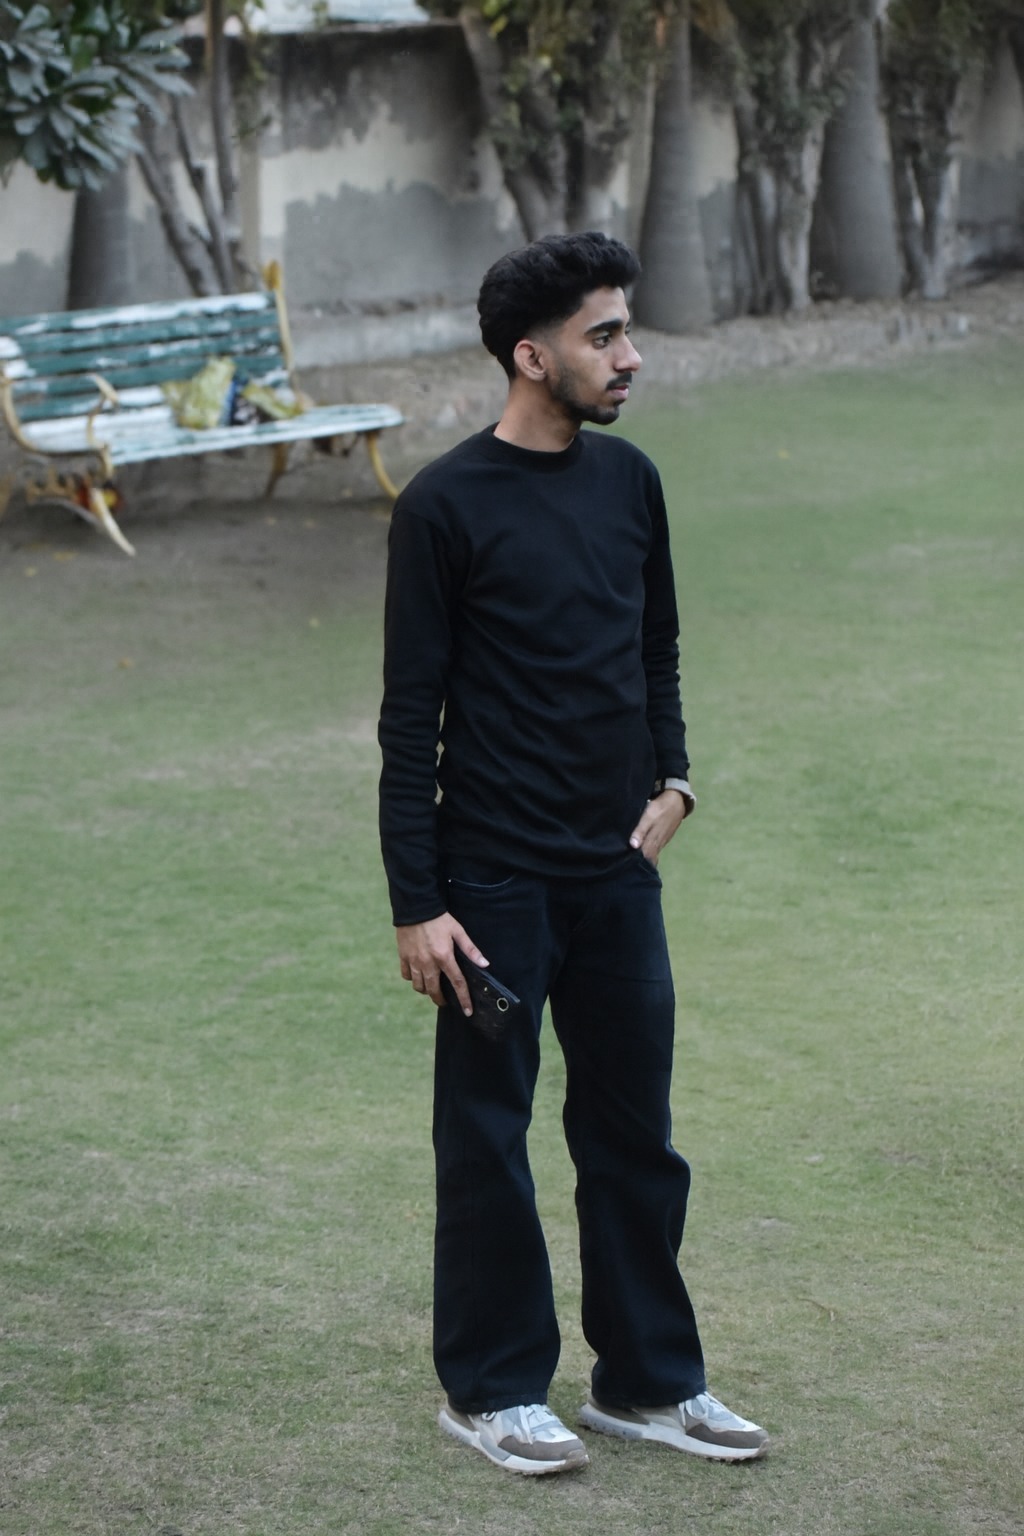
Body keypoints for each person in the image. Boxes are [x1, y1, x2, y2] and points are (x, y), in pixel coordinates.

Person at [377, 231, 768, 1476]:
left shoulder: (630, 482)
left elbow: (655, 646)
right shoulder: (442, 505)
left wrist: (676, 777)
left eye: (626, 330)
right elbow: (409, 719)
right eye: (604, 335)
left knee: (635, 1134)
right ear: (530, 355)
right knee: (487, 1141)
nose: (629, 355)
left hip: (615, 877)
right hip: (490, 884)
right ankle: (491, 1390)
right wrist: (416, 902)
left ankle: (647, 1384)